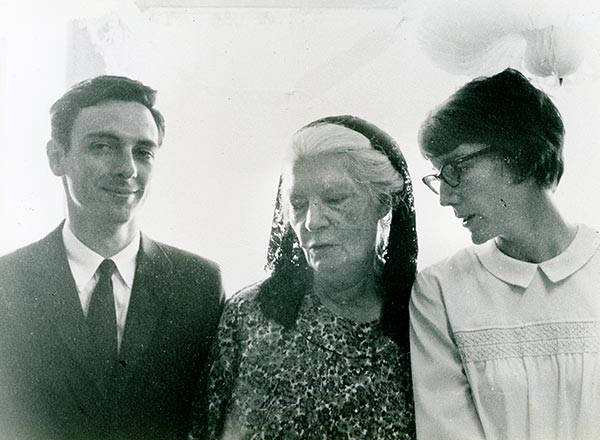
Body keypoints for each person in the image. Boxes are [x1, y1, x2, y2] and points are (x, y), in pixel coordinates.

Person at [0, 75, 225, 440]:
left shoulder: (198, 283)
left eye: (143, 152)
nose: (128, 169)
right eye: (103, 146)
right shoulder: (6, 283)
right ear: (57, 157)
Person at [189, 115, 418, 439]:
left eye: (335, 199)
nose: (311, 221)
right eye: (297, 203)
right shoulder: (252, 315)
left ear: (384, 201)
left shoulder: (423, 315)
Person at [410, 68, 600, 440]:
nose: (445, 196)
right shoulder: (440, 291)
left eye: (455, 170)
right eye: (438, 176)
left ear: (517, 153)